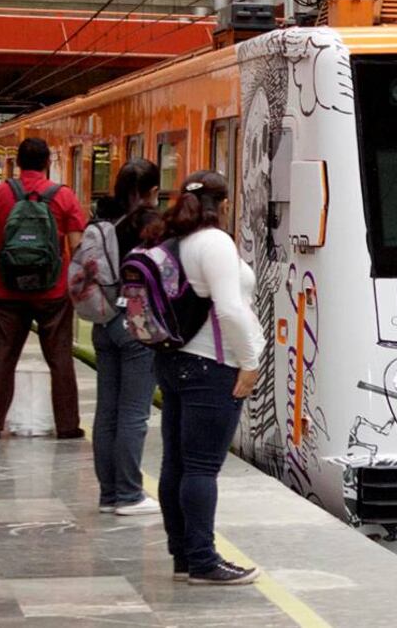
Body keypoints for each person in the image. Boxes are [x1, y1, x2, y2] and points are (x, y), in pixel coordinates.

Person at [142, 171, 264, 585]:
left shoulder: (176, 240)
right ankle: (204, 561)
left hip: (176, 364)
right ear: (224, 203)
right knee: (200, 468)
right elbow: (229, 309)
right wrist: (249, 362)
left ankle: (184, 555)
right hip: (211, 365)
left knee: (176, 463)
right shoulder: (215, 242)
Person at [0, 138, 87, 439]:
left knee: (2, 356)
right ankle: (68, 425)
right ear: (48, 162)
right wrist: (76, 285)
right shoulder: (64, 196)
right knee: (60, 358)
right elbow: (76, 246)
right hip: (53, 291)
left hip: (7, 290)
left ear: (17, 163)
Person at [91, 158, 163, 516]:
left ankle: (108, 494)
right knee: (134, 414)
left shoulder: (102, 221)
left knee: (107, 412)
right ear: (153, 192)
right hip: (136, 319)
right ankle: (130, 495)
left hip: (103, 320)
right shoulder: (149, 224)